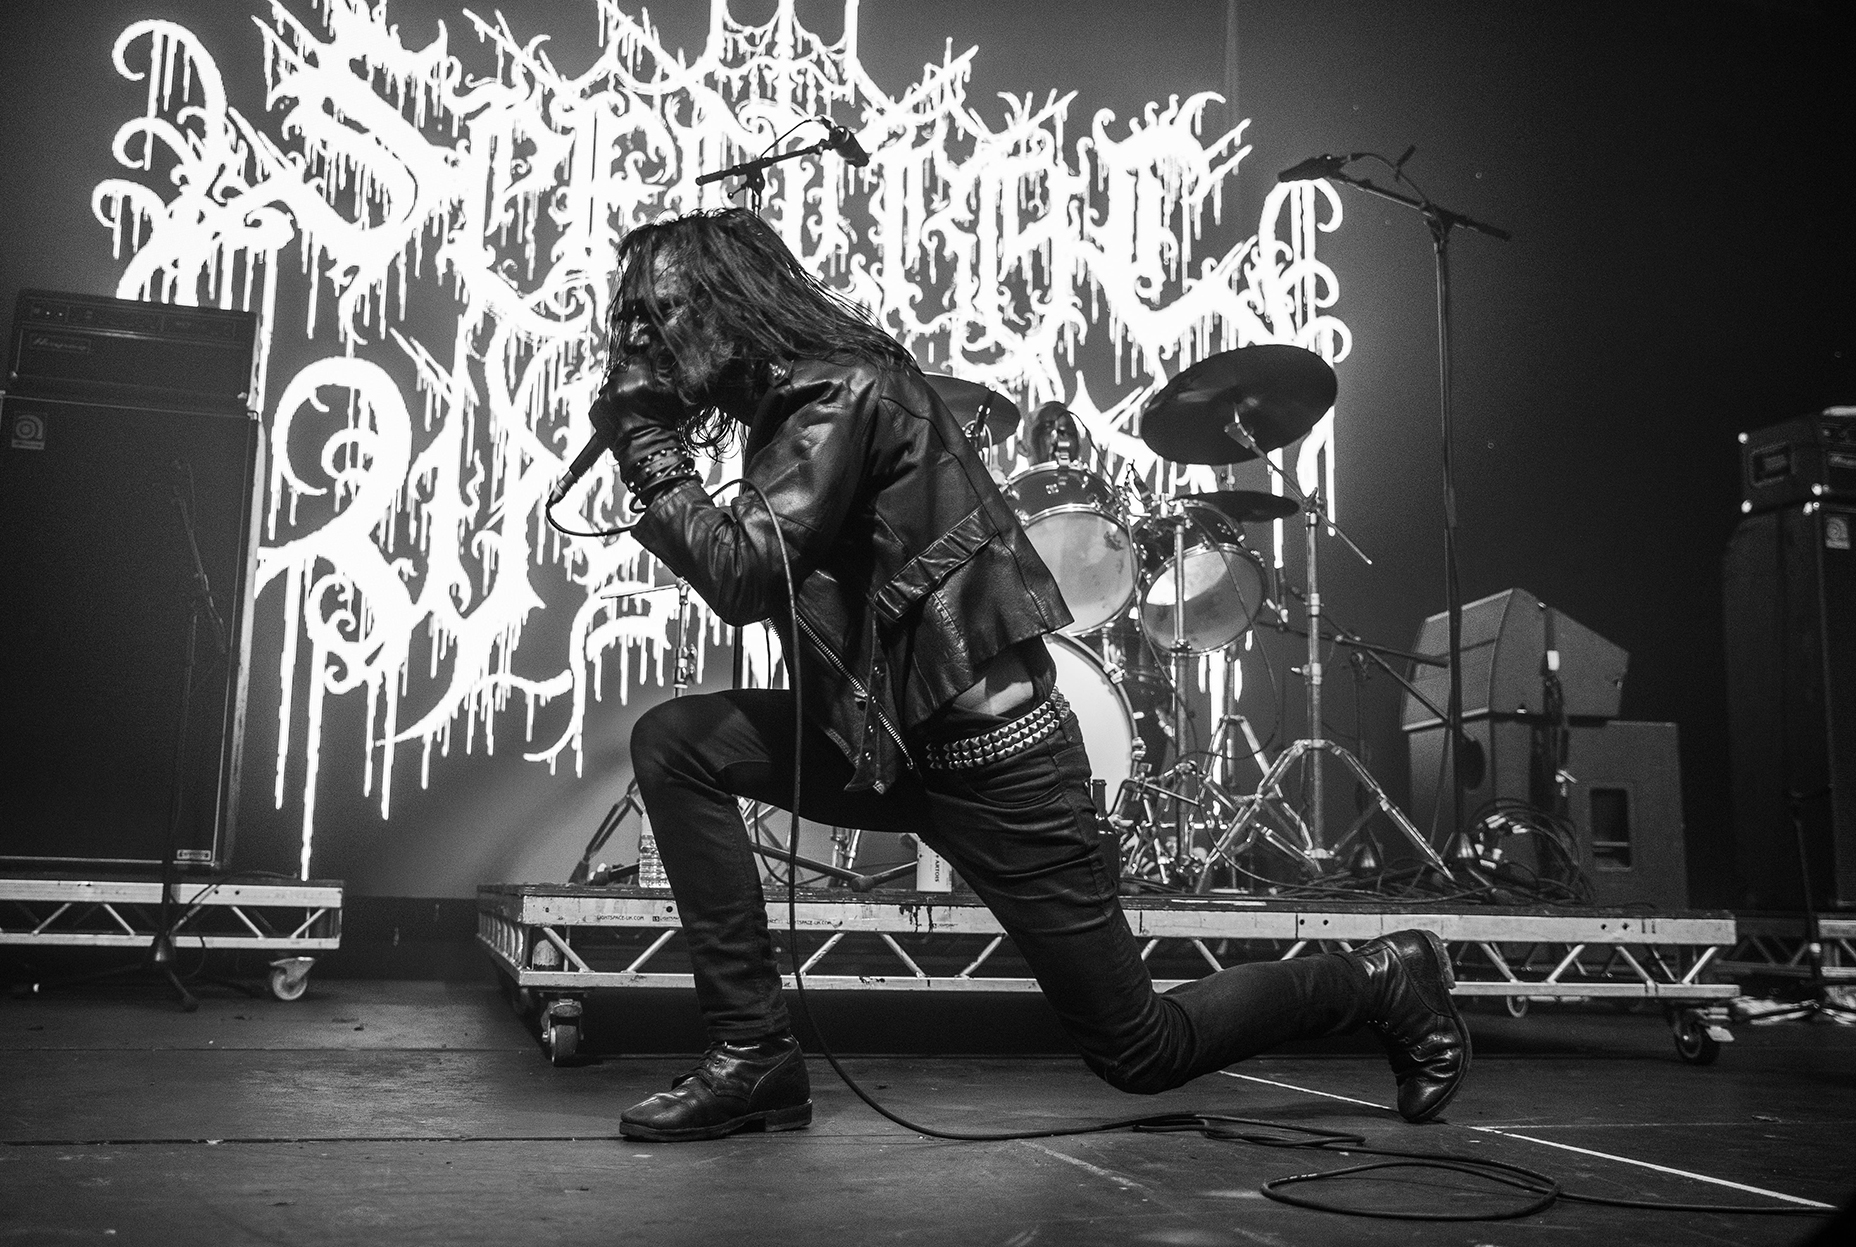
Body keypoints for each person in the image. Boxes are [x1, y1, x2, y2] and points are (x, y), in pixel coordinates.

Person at [583, 208, 1469, 1143]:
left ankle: (1382, 978)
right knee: (675, 744)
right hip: (889, 749)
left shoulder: (838, 389)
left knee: (1141, 1048)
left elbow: (742, 572)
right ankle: (754, 1052)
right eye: (633, 322)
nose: (644, 344)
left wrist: (648, 446)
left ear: (726, 302)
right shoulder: (791, 407)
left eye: (659, 315)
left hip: (996, 766)